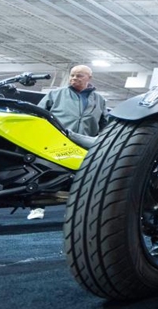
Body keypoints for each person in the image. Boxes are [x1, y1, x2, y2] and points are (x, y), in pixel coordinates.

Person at [30, 65, 108, 220]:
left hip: (84, 143)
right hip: (56, 140)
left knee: (81, 178)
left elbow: (104, 123)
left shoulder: (99, 100)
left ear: (88, 78)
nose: (74, 79)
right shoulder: (55, 94)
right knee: (44, 171)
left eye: (79, 76)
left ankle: (75, 212)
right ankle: (37, 207)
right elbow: (37, 115)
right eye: (72, 75)